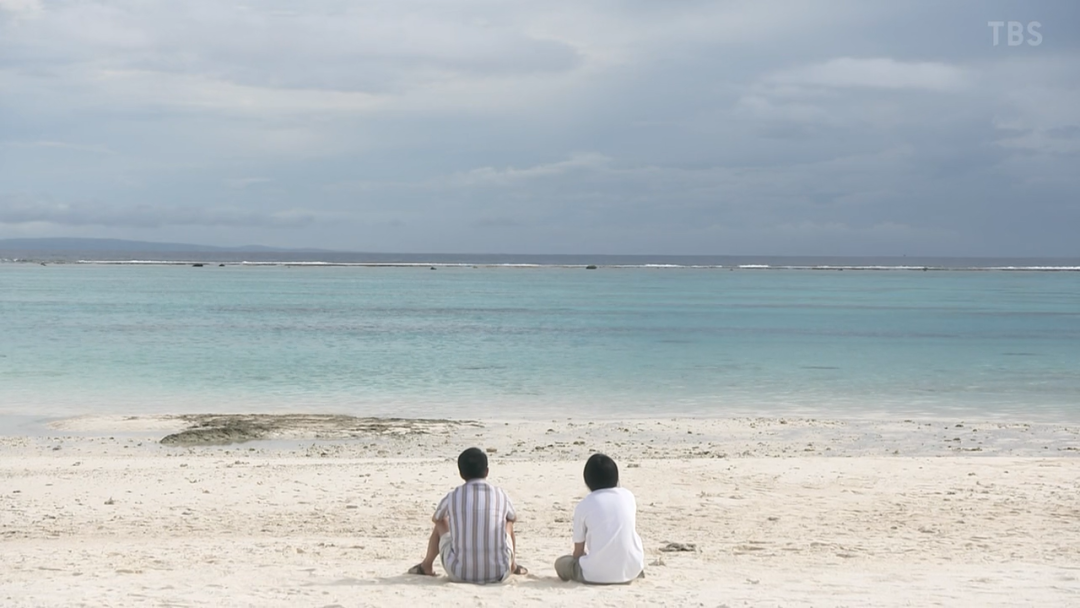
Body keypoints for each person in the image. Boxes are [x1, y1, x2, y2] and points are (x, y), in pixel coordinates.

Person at [408, 447, 527, 583]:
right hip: (499, 572)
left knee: (441, 521)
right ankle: (512, 565)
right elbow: (513, 517)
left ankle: (426, 565)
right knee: (508, 522)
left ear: (461, 474)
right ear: (487, 471)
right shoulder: (500, 494)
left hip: (459, 573)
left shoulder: (453, 496)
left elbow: (436, 518)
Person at [554, 453, 645, 584]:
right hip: (632, 569)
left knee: (561, 563)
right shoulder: (628, 496)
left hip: (596, 575)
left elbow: (578, 552)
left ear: (587, 481)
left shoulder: (584, 505)